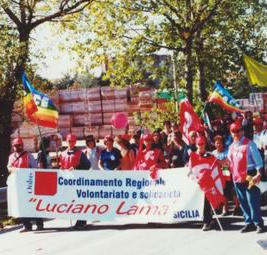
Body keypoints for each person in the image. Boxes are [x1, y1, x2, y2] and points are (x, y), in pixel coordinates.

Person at [227, 122, 264, 233]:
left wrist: (259, 173)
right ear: (231, 133)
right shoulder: (231, 146)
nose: (236, 133)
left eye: (238, 130)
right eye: (233, 131)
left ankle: (258, 223)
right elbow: (229, 162)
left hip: (249, 175)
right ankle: (249, 223)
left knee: (252, 201)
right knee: (243, 201)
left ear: (242, 131)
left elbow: (258, 161)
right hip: (237, 177)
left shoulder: (249, 144)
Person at [188, 136, 225, 231]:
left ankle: (208, 221)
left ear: (205, 144)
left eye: (202, 144)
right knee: (203, 202)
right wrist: (196, 180)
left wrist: (225, 165)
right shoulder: (192, 156)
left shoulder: (210, 155)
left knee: (208, 201)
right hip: (198, 184)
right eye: (198, 144)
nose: (200, 146)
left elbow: (218, 166)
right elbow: (189, 172)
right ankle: (207, 220)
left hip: (208, 184)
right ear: (196, 145)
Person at [7, 137, 40, 233]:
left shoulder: (28, 156)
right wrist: (14, 169)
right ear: (13, 146)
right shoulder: (11, 157)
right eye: (15, 146)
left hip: (29, 183)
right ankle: (27, 225)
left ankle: (39, 223)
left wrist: (26, 172)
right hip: (18, 184)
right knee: (21, 205)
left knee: (33, 204)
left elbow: (35, 168)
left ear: (22, 145)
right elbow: (9, 167)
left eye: (19, 145)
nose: (17, 147)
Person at [59, 133, 91, 230]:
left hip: (78, 182)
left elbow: (87, 166)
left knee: (79, 201)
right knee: (71, 201)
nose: (71, 143)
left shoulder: (80, 153)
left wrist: (77, 168)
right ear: (66, 142)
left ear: (75, 142)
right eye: (69, 141)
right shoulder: (62, 154)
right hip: (67, 182)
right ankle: (79, 219)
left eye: (73, 141)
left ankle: (81, 220)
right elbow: (61, 166)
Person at [212, 135, 239, 216]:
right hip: (217, 175)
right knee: (223, 192)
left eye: (220, 143)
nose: (218, 145)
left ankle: (238, 207)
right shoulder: (213, 153)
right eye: (216, 143)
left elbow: (227, 163)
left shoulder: (227, 151)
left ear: (223, 144)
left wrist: (218, 162)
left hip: (227, 172)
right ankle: (225, 208)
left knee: (231, 190)